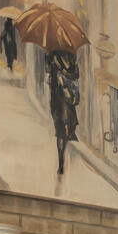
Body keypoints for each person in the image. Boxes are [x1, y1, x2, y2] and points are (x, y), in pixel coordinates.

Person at [46, 47, 81, 175]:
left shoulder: (52, 54)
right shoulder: (73, 55)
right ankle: (62, 158)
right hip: (69, 100)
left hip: (57, 99)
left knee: (60, 131)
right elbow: (76, 75)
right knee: (66, 130)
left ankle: (61, 162)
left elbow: (48, 74)